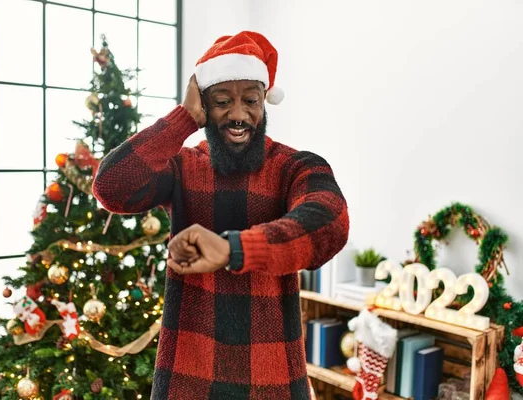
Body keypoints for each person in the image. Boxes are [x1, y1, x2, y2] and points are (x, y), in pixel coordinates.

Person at [93, 31, 350, 400]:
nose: (239, 114)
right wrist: (182, 119)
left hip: (272, 375)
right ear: (204, 105)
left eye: (251, 100)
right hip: (186, 374)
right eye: (222, 101)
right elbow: (111, 187)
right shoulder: (182, 167)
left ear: (265, 102)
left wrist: (235, 249)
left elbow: (330, 220)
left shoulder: (295, 166)